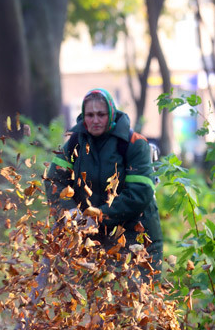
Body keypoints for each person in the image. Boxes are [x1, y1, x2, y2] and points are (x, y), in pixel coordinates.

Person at [45, 88, 163, 282]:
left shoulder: (134, 143)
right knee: (92, 301)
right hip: (92, 236)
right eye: (90, 115)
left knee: (137, 302)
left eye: (101, 114)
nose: (95, 120)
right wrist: (71, 213)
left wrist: (99, 215)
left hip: (137, 237)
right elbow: (54, 181)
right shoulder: (76, 142)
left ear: (111, 114)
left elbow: (140, 193)